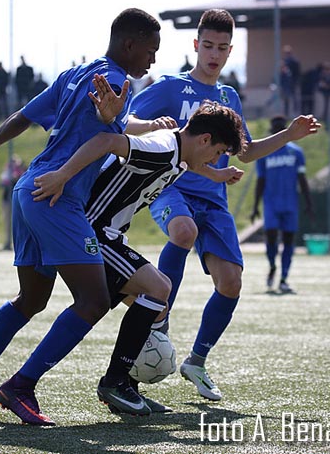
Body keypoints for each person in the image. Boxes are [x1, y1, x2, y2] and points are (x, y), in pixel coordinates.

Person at [0, 8, 162, 425]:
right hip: (56, 195)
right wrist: (110, 117)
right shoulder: (116, 81)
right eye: (150, 51)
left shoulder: (76, 73)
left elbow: (27, 115)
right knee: (94, 300)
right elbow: (104, 123)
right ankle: (20, 386)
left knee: (32, 299)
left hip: (30, 188)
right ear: (129, 45)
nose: (152, 60)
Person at [127, 8, 320, 401]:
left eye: (222, 48)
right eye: (208, 46)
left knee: (231, 283)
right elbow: (126, 119)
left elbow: (244, 152)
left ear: (230, 51)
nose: (214, 54)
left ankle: (196, 361)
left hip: (214, 198)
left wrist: (288, 134)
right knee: (183, 230)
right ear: (197, 45)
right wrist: (149, 129)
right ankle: (158, 321)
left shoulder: (229, 97)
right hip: (172, 186)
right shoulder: (169, 88)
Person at [33, 100, 245, 415]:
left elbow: (194, 165)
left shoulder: (181, 155)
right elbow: (105, 141)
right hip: (93, 231)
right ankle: (115, 382)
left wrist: (217, 175)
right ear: (204, 140)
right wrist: (61, 175)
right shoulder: (161, 147)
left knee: (131, 307)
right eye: (218, 152)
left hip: (107, 234)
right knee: (158, 289)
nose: (215, 159)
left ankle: (118, 385)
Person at [251, 115, 313, 293]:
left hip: (290, 204)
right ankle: (272, 266)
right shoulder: (264, 153)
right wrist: (255, 205)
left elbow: (302, 179)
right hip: (271, 204)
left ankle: (284, 277)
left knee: (288, 241)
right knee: (271, 238)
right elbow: (260, 181)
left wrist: (309, 203)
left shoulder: (296, 152)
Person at [0, 154, 26, 250]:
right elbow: (3, 183)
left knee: (20, 223)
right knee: (8, 222)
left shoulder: (22, 171)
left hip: (18, 200)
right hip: (7, 199)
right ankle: (8, 242)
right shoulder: (7, 172)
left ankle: (20, 243)